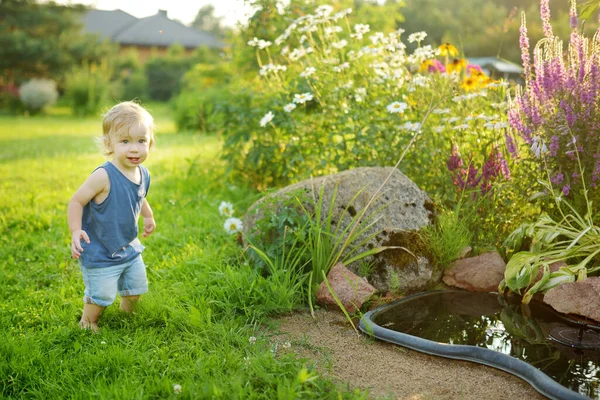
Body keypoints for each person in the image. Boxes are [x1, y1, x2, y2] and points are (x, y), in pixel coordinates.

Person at [67, 101, 156, 331]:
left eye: (141, 141)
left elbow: (139, 196)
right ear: (110, 144)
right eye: (125, 141)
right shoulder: (103, 176)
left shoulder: (142, 173)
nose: (134, 148)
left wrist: (148, 216)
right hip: (100, 250)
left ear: (150, 142)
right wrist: (75, 230)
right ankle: (88, 321)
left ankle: (126, 317)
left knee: (135, 287)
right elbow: (77, 201)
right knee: (101, 294)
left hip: (128, 246)